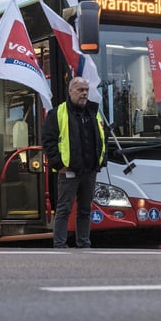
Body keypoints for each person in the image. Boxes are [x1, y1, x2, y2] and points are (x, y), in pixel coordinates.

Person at [42, 77, 106, 248]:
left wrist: (100, 163)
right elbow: (48, 141)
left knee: (85, 210)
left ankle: (84, 243)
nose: (84, 93)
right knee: (64, 209)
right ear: (70, 92)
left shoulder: (93, 112)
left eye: (86, 90)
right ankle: (60, 244)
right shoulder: (57, 113)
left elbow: (101, 138)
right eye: (80, 90)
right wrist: (59, 165)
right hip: (68, 171)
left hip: (89, 170)